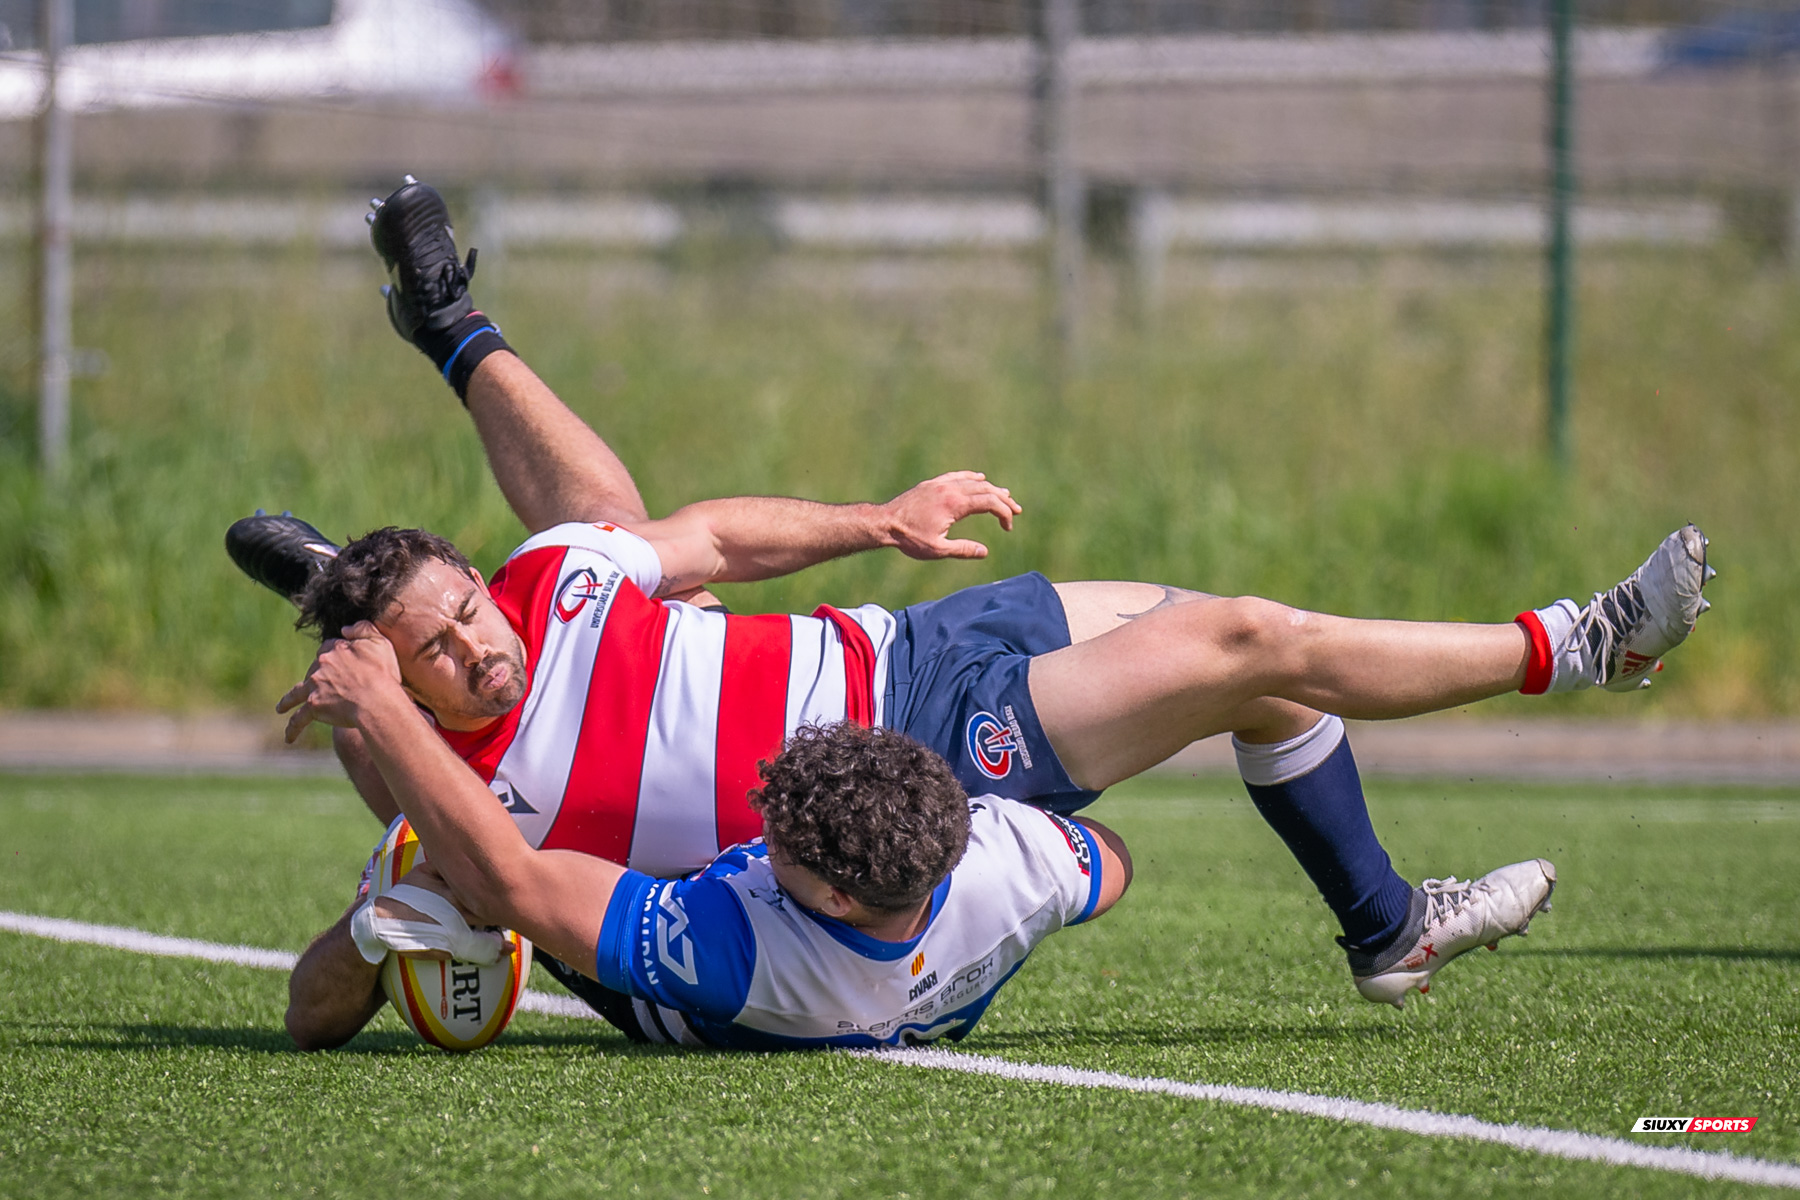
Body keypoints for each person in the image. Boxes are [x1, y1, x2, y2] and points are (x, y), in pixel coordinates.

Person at [252, 178, 1712, 1012]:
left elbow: (707, 534)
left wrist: (877, 518)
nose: (483, 650)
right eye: (440, 649)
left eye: (467, 613)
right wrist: (371, 731)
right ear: (404, 685)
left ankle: (1386, 926)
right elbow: (332, 987)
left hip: (912, 645)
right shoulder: (456, 796)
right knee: (1250, 640)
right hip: (896, 767)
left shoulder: (548, 585)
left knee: (1250, 665)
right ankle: (1580, 642)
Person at [286, 720, 1133, 1051]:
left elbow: (508, 879)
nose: (762, 839)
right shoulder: (1016, 859)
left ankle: (378, 907)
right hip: (828, 950)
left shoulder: (731, 944)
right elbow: (1108, 858)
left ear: (836, 898)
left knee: (439, 863)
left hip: (669, 997)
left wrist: (378, 706)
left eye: (779, 845)